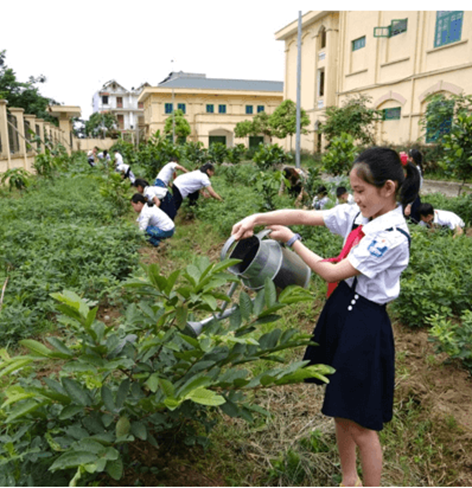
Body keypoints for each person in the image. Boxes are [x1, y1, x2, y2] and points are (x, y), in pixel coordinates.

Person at [231, 147, 420, 487]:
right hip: (341, 312)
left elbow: (332, 273)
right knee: (340, 406)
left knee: (361, 424)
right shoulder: (362, 216)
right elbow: (304, 215)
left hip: (364, 323)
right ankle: (349, 479)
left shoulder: (391, 237)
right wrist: (256, 218)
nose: (355, 198)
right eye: (354, 190)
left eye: (361, 191)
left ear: (388, 188)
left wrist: (293, 243)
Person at [403, 149, 424, 223]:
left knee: (411, 221)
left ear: (411, 159)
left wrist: (409, 205)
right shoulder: (415, 169)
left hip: (412, 199)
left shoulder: (416, 171)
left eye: (408, 157)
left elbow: (416, 189)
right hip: (412, 198)